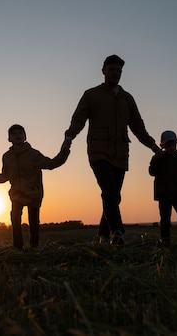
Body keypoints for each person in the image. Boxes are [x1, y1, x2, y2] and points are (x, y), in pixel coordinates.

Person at [63, 54, 160, 245]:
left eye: (118, 70)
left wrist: (153, 146)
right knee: (109, 190)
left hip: (121, 153)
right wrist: (69, 137)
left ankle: (103, 235)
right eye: (111, 69)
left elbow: (138, 127)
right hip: (98, 150)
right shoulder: (91, 94)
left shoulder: (127, 99)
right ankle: (117, 231)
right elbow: (78, 119)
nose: (115, 73)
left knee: (114, 195)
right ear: (103, 71)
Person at [0, 124, 70, 250]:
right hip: (16, 194)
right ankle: (18, 248)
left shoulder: (33, 154)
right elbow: (5, 176)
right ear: (9, 138)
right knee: (15, 219)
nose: (17, 135)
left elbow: (51, 164)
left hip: (34, 193)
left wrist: (64, 151)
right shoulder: (7, 156)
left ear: (25, 137)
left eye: (20, 133)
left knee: (34, 222)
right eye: (14, 133)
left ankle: (34, 247)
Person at [148, 130, 177, 247]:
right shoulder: (159, 158)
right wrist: (156, 158)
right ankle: (165, 243)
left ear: (176, 143)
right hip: (164, 196)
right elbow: (152, 172)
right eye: (168, 145)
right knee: (165, 221)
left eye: (172, 144)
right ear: (162, 145)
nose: (171, 147)